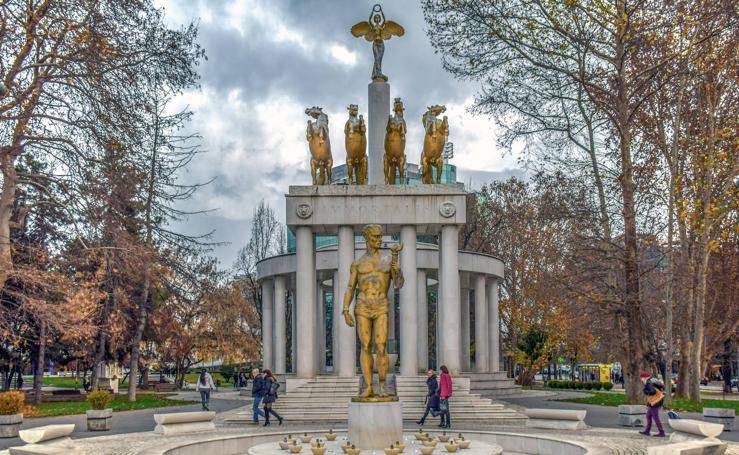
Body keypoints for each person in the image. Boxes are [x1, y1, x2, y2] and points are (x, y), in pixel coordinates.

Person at [639, 371, 665, 437]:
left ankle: (661, 432)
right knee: (648, 416)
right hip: (656, 401)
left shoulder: (648, 382)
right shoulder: (652, 381)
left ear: (644, 377)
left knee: (655, 417)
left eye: (641, 378)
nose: (641, 379)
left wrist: (645, 391)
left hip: (655, 402)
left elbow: (652, 392)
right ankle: (647, 431)